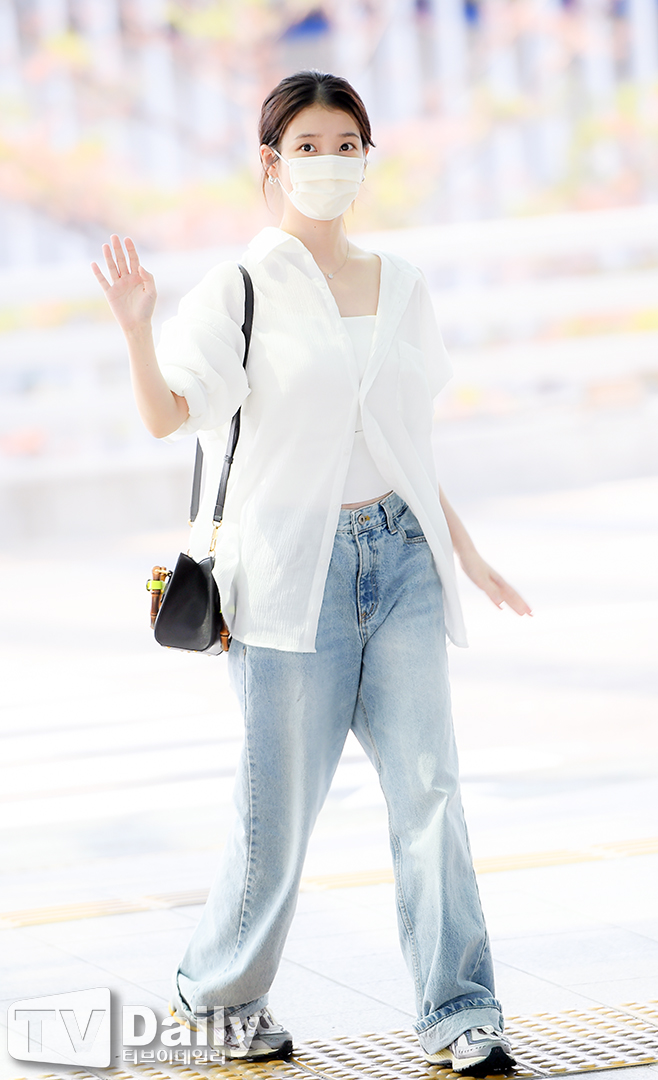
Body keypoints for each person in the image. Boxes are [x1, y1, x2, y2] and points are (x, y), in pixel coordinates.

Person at [92, 69, 531, 1075]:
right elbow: (167, 418)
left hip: (403, 559)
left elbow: (405, 443)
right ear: (271, 162)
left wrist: (463, 550)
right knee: (276, 812)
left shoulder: (403, 285)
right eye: (308, 147)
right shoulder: (240, 288)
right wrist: (135, 327)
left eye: (346, 147)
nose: (329, 164)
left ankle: (461, 1012)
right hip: (292, 575)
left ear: (366, 159)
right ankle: (217, 995)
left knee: (431, 793)